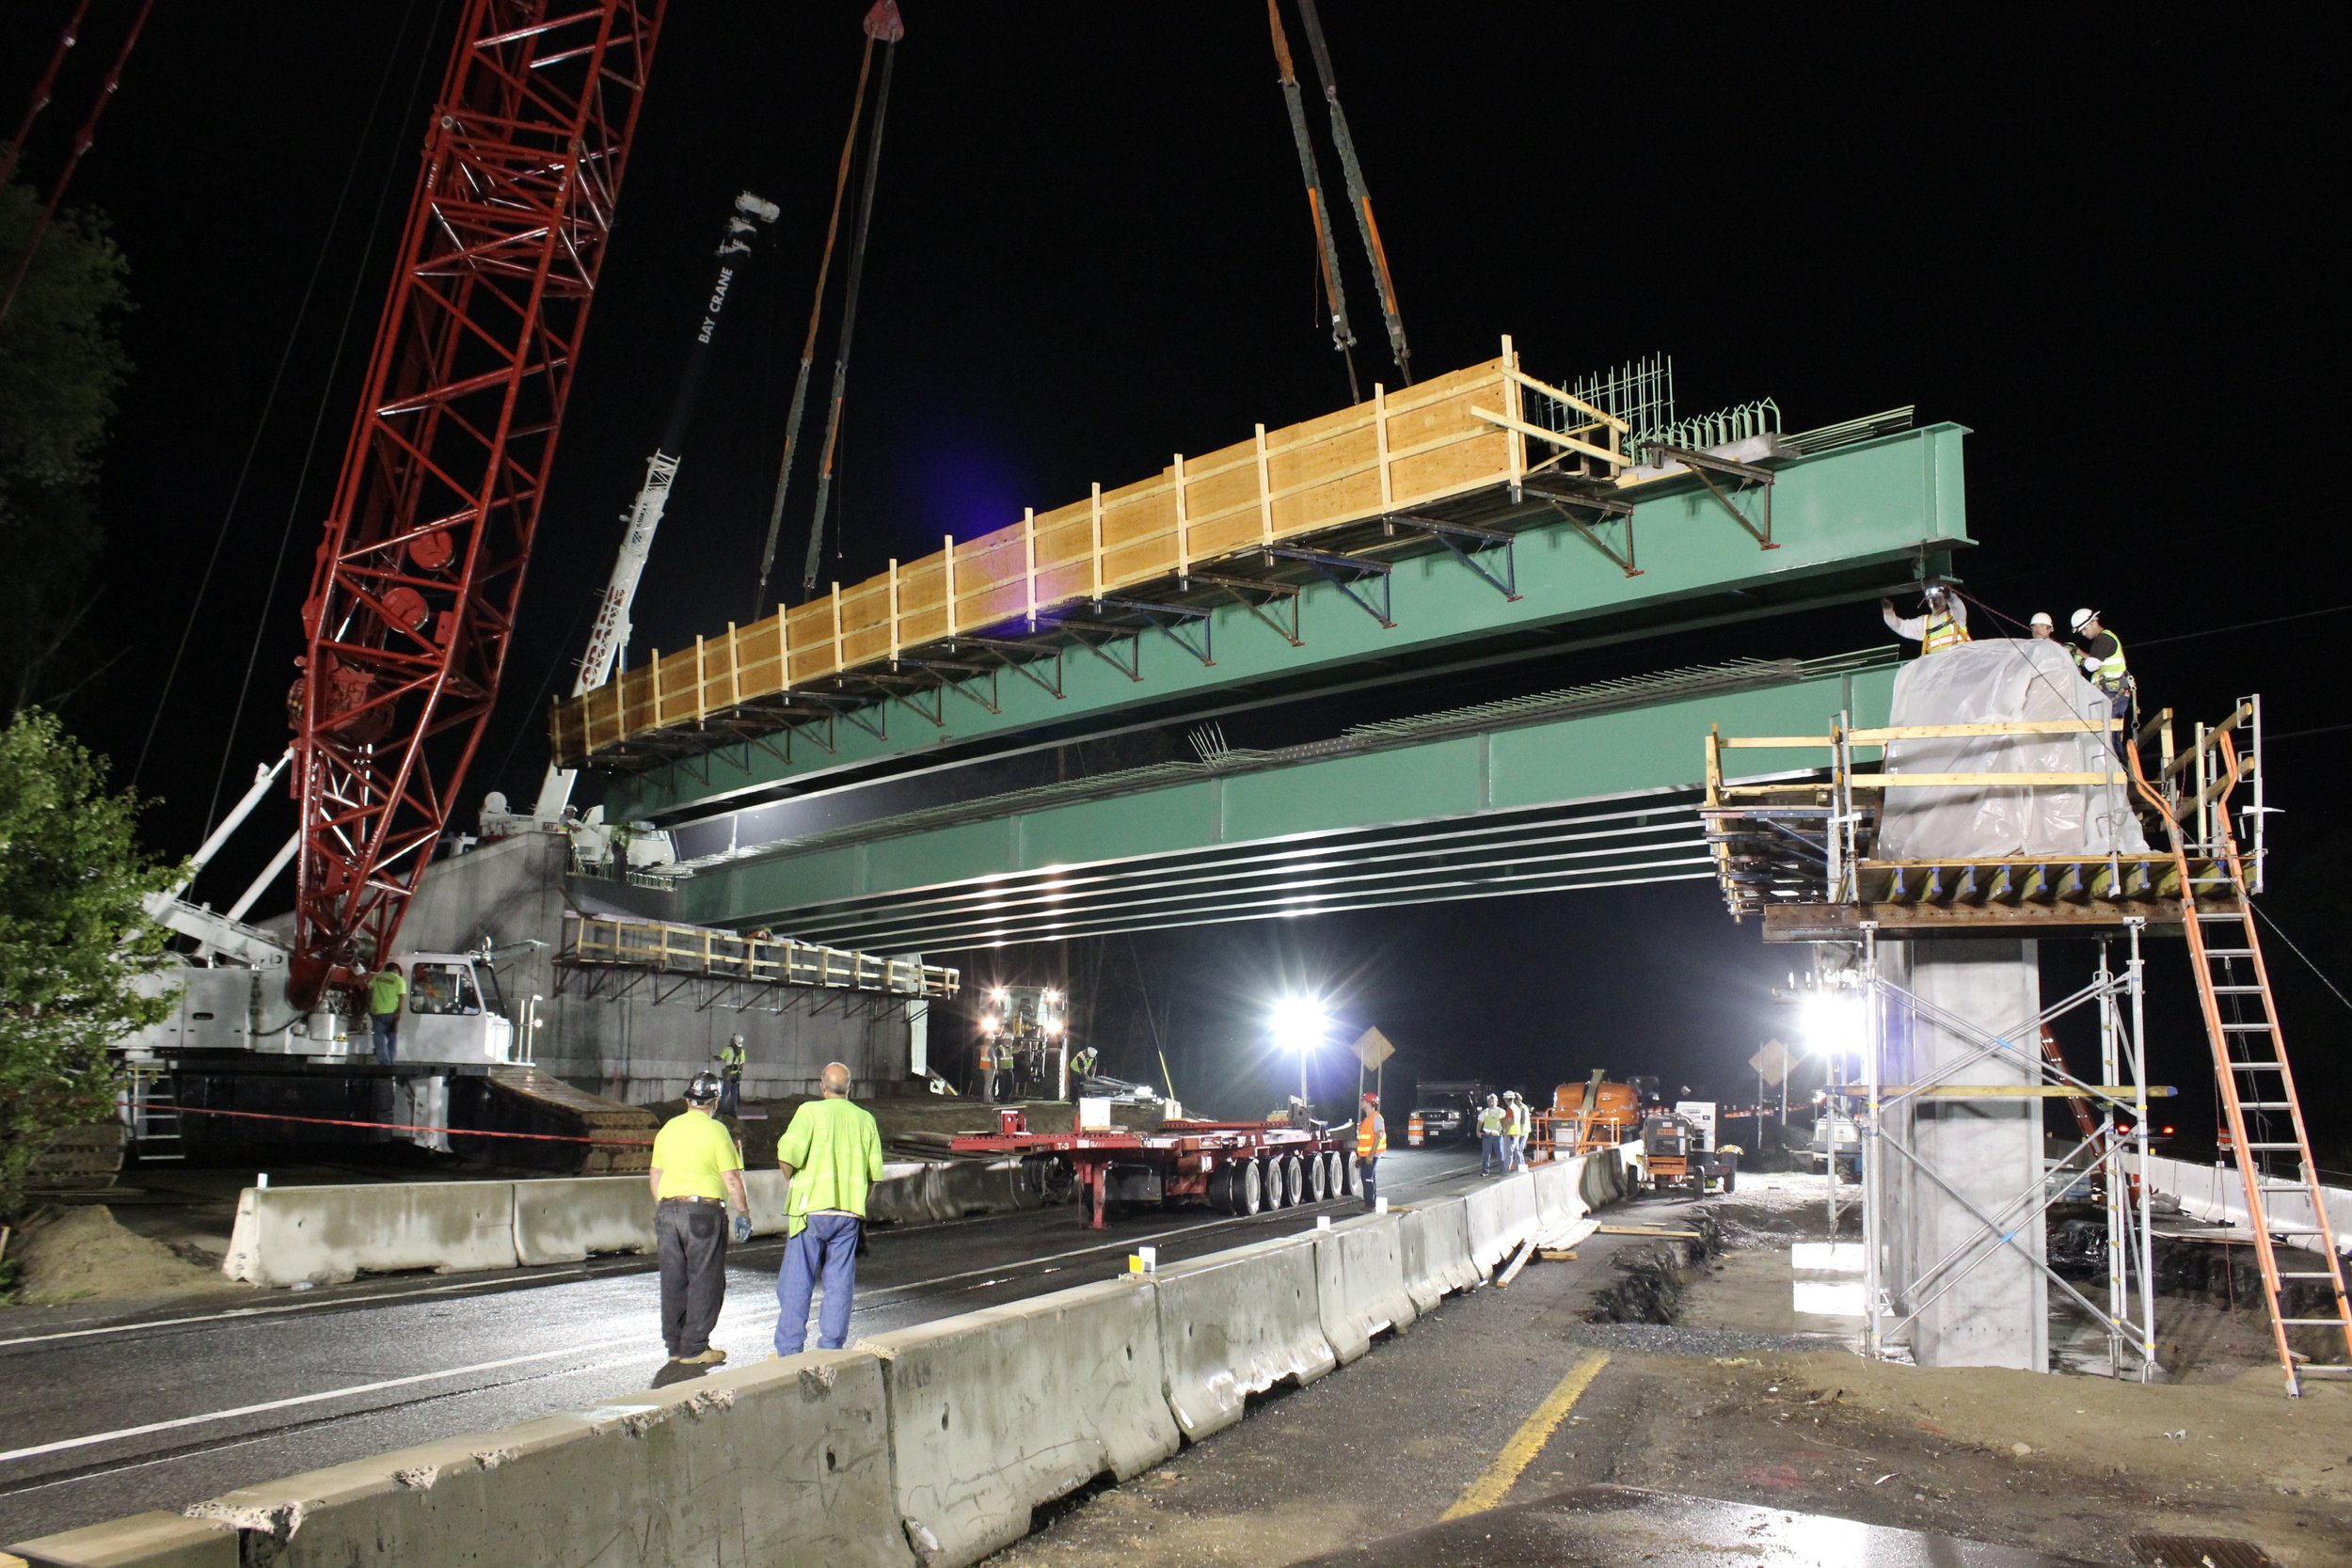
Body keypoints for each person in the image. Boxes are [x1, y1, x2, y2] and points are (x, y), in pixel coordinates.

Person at [773, 1061, 886, 1356]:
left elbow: (787, 1155)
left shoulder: (809, 1112)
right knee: (839, 1282)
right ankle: (831, 1348)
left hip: (810, 1209)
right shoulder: (865, 1119)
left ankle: (789, 1349)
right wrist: (856, 1200)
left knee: (797, 1280)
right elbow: (873, 1175)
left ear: (822, 1087)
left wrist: (793, 1182)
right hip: (848, 1214)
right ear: (850, 1089)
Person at [647, 1071, 752, 1367]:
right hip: (703, 1213)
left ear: (687, 1100)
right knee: (706, 1279)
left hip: (667, 1211)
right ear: (715, 1101)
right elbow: (731, 1178)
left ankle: (676, 1345)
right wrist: (744, 1212)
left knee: (673, 1280)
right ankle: (695, 1347)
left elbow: (655, 1175)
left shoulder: (668, 1128)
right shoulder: (716, 1130)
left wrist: (667, 1208)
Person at [2069, 609, 2133, 752]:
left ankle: (2117, 768)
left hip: (2113, 692)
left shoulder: (2103, 639)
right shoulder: (2104, 639)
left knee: (2109, 734)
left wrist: (2078, 660)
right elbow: (2095, 660)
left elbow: (2092, 665)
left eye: (2084, 629)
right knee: (2107, 733)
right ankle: (2114, 765)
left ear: (2093, 622)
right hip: (2112, 692)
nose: (2084, 634)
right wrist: (2077, 651)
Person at [1879, 584, 1970, 655]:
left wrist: (1951, 596)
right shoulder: (1925, 622)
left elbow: (1957, 605)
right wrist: (1888, 612)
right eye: (1932, 598)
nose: (1935, 600)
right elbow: (1900, 626)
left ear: (1945, 600)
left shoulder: (1956, 616)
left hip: (1960, 664)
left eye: (1939, 597)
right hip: (1940, 668)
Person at [367, 960, 405, 1068]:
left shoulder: (376, 978)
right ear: (395, 970)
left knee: (379, 1036)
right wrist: (399, 1012)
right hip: (391, 1012)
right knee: (392, 1036)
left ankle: (384, 1062)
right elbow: (401, 997)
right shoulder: (399, 980)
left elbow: (369, 992)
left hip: (377, 1011)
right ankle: (391, 1060)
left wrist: (369, 1007)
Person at [1354, 1089, 1386, 1212]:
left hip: (1372, 1154)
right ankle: (1372, 1203)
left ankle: (1370, 1205)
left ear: (1368, 1103)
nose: (1361, 1102)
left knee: (1367, 1178)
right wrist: (1359, 1156)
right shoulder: (1367, 1120)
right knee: (1368, 1177)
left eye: (1363, 1100)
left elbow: (1379, 1136)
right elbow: (1363, 1141)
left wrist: (1371, 1154)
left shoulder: (1376, 1118)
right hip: (1366, 1154)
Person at [714, 1033, 746, 1117]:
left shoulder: (728, 1049)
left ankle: (720, 1110)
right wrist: (740, 1074)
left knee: (724, 1093)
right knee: (734, 1093)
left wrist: (714, 1056)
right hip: (736, 1074)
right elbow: (742, 1064)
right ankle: (733, 1110)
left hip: (728, 1074)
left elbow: (720, 1058)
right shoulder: (741, 1051)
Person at [1477, 1092, 1506, 1176]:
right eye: (1489, 1101)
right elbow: (1480, 1122)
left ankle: (1502, 1170)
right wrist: (1478, 1131)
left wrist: (1504, 1131)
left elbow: (1505, 1124)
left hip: (1498, 1136)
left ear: (1497, 1102)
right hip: (1487, 1136)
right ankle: (1485, 1171)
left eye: (1493, 1101)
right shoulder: (1485, 1111)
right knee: (1486, 1154)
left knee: (1500, 1154)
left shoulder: (1501, 1111)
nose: (1491, 1103)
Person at [1505, 1090, 1533, 1172]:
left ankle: (1521, 1166)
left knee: (1519, 1150)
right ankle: (1519, 1167)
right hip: (1520, 1132)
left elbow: (1523, 1121)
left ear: (1517, 1100)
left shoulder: (1522, 1108)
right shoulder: (1519, 1107)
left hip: (1522, 1132)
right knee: (1517, 1150)